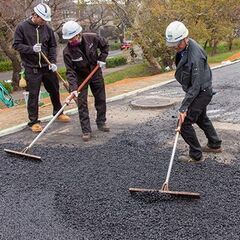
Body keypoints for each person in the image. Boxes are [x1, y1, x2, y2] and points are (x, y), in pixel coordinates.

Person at [165, 21, 222, 162]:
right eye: (173, 44)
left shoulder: (195, 56)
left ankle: (196, 155)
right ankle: (214, 144)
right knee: (201, 118)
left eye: (178, 44)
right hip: (200, 89)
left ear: (185, 38)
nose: (175, 47)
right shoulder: (185, 46)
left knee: (184, 123)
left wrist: (183, 107)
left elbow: (196, 86)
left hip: (201, 92)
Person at [13, 3, 70, 132]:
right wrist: (31, 49)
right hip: (31, 68)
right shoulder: (22, 27)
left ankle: (58, 112)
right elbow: (16, 45)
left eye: (45, 20)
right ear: (35, 15)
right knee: (33, 95)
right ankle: (33, 121)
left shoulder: (47, 29)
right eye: (42, 19)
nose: (44, 22)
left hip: (47, 66)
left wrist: (53, 62)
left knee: (54, 90)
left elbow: (52, 46)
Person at [62, 20, 110, 142]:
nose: (71, 41)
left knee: (100, 98)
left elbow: (105, 46)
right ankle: (86, 130)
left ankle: (101, 122)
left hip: (95, 71)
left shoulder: (92, 38)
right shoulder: (67, 52)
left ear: (79, 34)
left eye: (72, 38)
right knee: (82, 103)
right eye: (69, 39)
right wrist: (73, 89)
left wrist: (102, 59)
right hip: (80, 77)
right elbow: (70, 71)